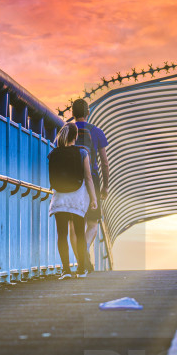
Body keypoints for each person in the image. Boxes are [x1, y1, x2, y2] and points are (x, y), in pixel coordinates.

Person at [47, 123, 98, 279]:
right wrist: (93, 198)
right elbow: (88, 178)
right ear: (76, 136)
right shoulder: (82, 152)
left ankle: (66, 270)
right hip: (77, 199)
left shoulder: (53, 154)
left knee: (61, 234)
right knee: (80, 233)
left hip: (60, 198)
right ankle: (81, 270)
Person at [67, 98, 110, 256]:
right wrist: (105, 186)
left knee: (73, 223)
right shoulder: (96, 131)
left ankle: (80, 259)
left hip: (71, 181)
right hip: (92, 179)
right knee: (92, 222)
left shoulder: (65, 130)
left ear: (73, 113)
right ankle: (83, 252)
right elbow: (104, 162)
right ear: (88, 113)